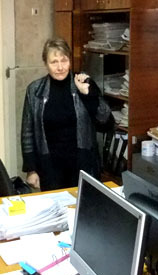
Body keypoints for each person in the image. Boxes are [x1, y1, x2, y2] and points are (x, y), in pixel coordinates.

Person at [21, 37, 113, 191]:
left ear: (70, 61)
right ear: (45, 64)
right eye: (54, 62)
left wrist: (87, 94)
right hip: (50, 167)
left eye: (64, 61)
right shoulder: (35, 90)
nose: (60, 67)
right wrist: (31, 169)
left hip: (82, 164)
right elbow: (27, 132)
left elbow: (106, 122)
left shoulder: (83, 83)